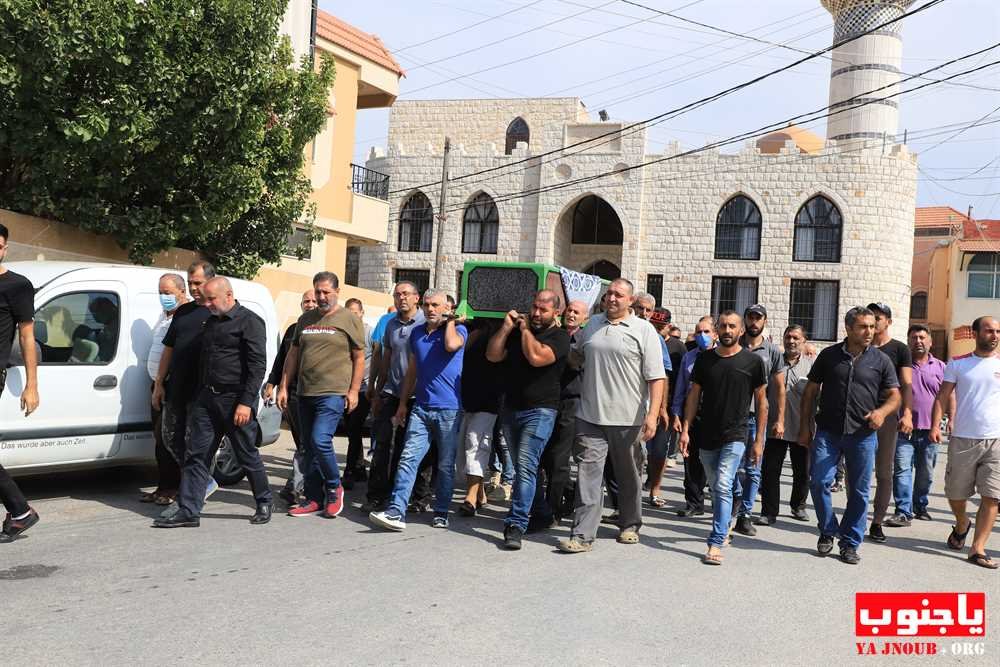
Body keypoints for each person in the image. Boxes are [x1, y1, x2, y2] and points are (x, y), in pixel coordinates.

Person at [153, 277, 273, 527]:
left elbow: (257, 367)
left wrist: (245, 403)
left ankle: (263, 500)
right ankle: (189, 510)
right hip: (206, 400)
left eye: (211, 299)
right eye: (205, 299)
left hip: (235, 401)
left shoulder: (250, 322)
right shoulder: (210, 322)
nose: (206, 304)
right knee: (196, 455)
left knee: (246, 454)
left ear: (228, 295)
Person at [558, 279, 665, 553]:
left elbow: (656, 378)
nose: (613, 298)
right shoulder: (592, 324)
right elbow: (576, 357)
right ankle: (582, 535)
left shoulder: (644, 331)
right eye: (610, 294)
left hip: (628, 419)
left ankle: (629, 524)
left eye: (619, 295)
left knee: (628, 475)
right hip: (590, 416)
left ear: (630, 301)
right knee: (587, 476)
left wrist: (652, 416)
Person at [799, 306, 900, 565]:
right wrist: (804, 426)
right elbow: (810, 392)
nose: (869, 331)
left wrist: (881, 412)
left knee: (859, 491)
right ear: (848, 328)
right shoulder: (829, 356)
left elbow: (895, 396)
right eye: (863, 327)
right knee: (819, 481)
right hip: (828, 432)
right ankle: (828, 529)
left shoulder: (881, 360)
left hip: (863, 435)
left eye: (872, 326)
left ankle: (850, 543)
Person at [370, 289, 467, 531]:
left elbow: (451, 345)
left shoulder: (458, 330)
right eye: (427, 305)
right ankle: (396, 511)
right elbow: (412, 371)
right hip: (421, 407)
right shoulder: (416, 334)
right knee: (407, 459)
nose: (430, 309)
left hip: (449, 410)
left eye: (436, 305)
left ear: (446, 308)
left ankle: (442, 511)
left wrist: (451, 321)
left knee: (445, 464)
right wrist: (403, 403)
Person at [678, 311, 767, 566]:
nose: (728, 330)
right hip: (706, 434)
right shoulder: (704, 361)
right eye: (723, 326)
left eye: (732, 326)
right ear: (717, 330)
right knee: (720, 485)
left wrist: (759, 440)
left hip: (736, 434)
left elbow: (762, 403)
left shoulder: (753, 362)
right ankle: (735, 500)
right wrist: (685, 429)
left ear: (740, 330)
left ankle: (716, 541)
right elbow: (693, 397)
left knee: (721, 485)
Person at [487, 290, 570, 550]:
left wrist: (524, 331)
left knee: (524, 466)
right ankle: (542, 513)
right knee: (527, 468)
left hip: (541, 410)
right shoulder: (514, 332)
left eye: (543, 310)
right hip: (511, 408)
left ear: (555, 312)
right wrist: (505, 328)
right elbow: (492, 355)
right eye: (534, 307)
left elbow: (537, 358)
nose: (536, 313)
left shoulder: (560, 337)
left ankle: (516, 524)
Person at [278, 272, 365, 519]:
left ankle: (333, 486)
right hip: (305, 392)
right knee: (309, 446)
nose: (321, 296)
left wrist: (354, 390)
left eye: (326, 291)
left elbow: (359, 357)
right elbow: (292, 355)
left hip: (333, 392)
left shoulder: (348, 319)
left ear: (337, 291)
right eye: (318, 292)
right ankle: (314, 498)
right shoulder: (305, 319)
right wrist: (284, 385)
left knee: (320, 440)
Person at [931, 316, 1000, 569]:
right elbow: (942, 396)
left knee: (992, 496)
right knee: (956, 494)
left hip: (996, 441)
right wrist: (934, 425)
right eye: (989, 330)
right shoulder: (959, 364)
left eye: (998, 331)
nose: (994, 335)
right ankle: (962, 523)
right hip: (963, 438)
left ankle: (977, 548)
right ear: (975, 333)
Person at [151, 261, 218, 518]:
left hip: (201, 395)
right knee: (169, 438)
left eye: (197, 283)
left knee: (196, 446)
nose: (193, 288)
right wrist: (159, 383)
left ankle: (191, 495)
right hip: (175, 389)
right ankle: (203, 481)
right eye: (190, 283)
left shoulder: (218, 313)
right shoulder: (183, 312)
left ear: (211, 281)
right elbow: (168, 349)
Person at [363, 282, 428, 513]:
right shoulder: (390, 324)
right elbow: (385, 359)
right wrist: (377, 389)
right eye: (397, 294)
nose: (401, 298)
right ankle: (376, 496)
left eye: (406, 294)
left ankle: (416, 497)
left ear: (416, 298)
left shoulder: (426, 323)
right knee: (381, 446)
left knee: (410, 449)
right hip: (391, 392)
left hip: (417, 397)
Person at [531, 299, 588, 531]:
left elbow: (575, 363)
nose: (571, 315)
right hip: (547, 401)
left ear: (585, 318)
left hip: (571, 403)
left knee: (559, 459)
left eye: (576, 312)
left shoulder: (584, 340)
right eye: (569, 311)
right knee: (543, 457)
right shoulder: (553, 333)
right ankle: (564, 496)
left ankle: (553, 509)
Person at [0, 223, 41, 543]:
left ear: (4, 248)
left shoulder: (17, 286)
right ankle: (20, 511)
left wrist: (32, 384)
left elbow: (27, 337)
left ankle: (20, 511)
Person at [884, 325, 949, 527]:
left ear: (930, 341)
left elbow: (949, 396)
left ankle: (920, 506)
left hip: (931, 430)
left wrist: (951, 420)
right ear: (908, 341)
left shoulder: (941, 367)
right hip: (903, 429)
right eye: (914, 337)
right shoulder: (900, 367)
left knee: (925, 474)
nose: (918, 341)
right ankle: (903, 511)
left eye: (922, 337)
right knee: (902, 469)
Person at [732, 304, 786, 536]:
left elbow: (780, 388)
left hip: (757, 418)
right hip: (732, 417)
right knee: (730, 466)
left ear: (764, 321)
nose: (754, 322)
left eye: (758, 318)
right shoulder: (733, 343)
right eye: (751, 317)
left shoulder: (772, 351)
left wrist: (780, 419)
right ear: (745, 320)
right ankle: (732, 502)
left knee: (753, 469)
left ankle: (745, 515)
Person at [263, 289, 317, 505]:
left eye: (314, 300)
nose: (310, 304)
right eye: (306, 301)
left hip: (317, 394)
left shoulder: (330, 328)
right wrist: (273, 383)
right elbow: (282, 359)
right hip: (293, 395)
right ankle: (309, 482)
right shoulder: (294, 329)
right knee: (303, 442)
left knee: (309, 443)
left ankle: (295, 485)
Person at [866, 302, 913, 544]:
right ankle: (856, 517)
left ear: (888, 322)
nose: (875, 321)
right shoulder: (859, 346)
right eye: (871, 317)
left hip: (888, 415)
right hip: (861, 414)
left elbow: (906, 384)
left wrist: (907, 413)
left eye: (879, 317)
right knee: (858, 471)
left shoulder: (899, 349)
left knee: (884, 471)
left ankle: (877, 522)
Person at [141, 273, 188, 506]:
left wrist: (162, 382)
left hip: (171, 385)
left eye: (168, 293)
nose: (163, 297)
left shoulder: (185, 315)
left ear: (182, 291)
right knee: (159, 441)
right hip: (158, 384)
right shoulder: (164, 315)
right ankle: (163, 487)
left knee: (169, 439)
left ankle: (174, 489)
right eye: (160, 292)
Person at [757, 325, 812, 525]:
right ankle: (769, 511)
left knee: (802, 471)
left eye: (796, 338)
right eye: (788, 337)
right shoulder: (774, 363)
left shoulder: (811, 366)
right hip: (775, 427)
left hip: (801, 427)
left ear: (804, 341)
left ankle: (798, 506)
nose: (791, 341)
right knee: (771, 470)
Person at [457, 318, 502, 517]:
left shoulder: (504, 328)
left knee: (475, 444)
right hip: (465, 397)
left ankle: (470, 498)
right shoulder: (468, 327)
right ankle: (480, 493)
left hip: (489, 399)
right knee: (464, 449)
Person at [672, 316, 716, 517]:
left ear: (715, 334)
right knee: (691, 460)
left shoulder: (722, 355)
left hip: (715, 415)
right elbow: (681, 387)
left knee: (715, 461)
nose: (702, 336)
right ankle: (694, 503)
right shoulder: (689, 357)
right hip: (692, 414)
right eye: (699, 332)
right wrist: (676, 413)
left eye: (706, 332)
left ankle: (719, 502)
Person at [631, 295, 671, 508]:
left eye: (648, 310)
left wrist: (661, 408)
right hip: (623, 404)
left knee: (648, 453)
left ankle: (648, 491)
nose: (643, 313)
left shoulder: (653, 337)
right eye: (640, 308)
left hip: (645, 405)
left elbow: (663, 375)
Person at [342, 297, 373, 490]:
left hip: (363, 389)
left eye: (355, 312)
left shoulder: (369, 333)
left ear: (361, 313)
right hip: (345, 388)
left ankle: (350, 471)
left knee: (354, 429)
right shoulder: (343, 333)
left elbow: (377, 357)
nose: (351, 316)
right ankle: (359, 468)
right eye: (348, 312)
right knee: (352, 431)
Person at [660, 312, 686, 467]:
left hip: (671, 397)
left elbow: (682, 373)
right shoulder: (648, 339)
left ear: (668, 326)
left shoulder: (678, 347)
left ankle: (670, 454)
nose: (657, 329)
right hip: (650, 397)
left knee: (666, 434)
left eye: (661, 326)